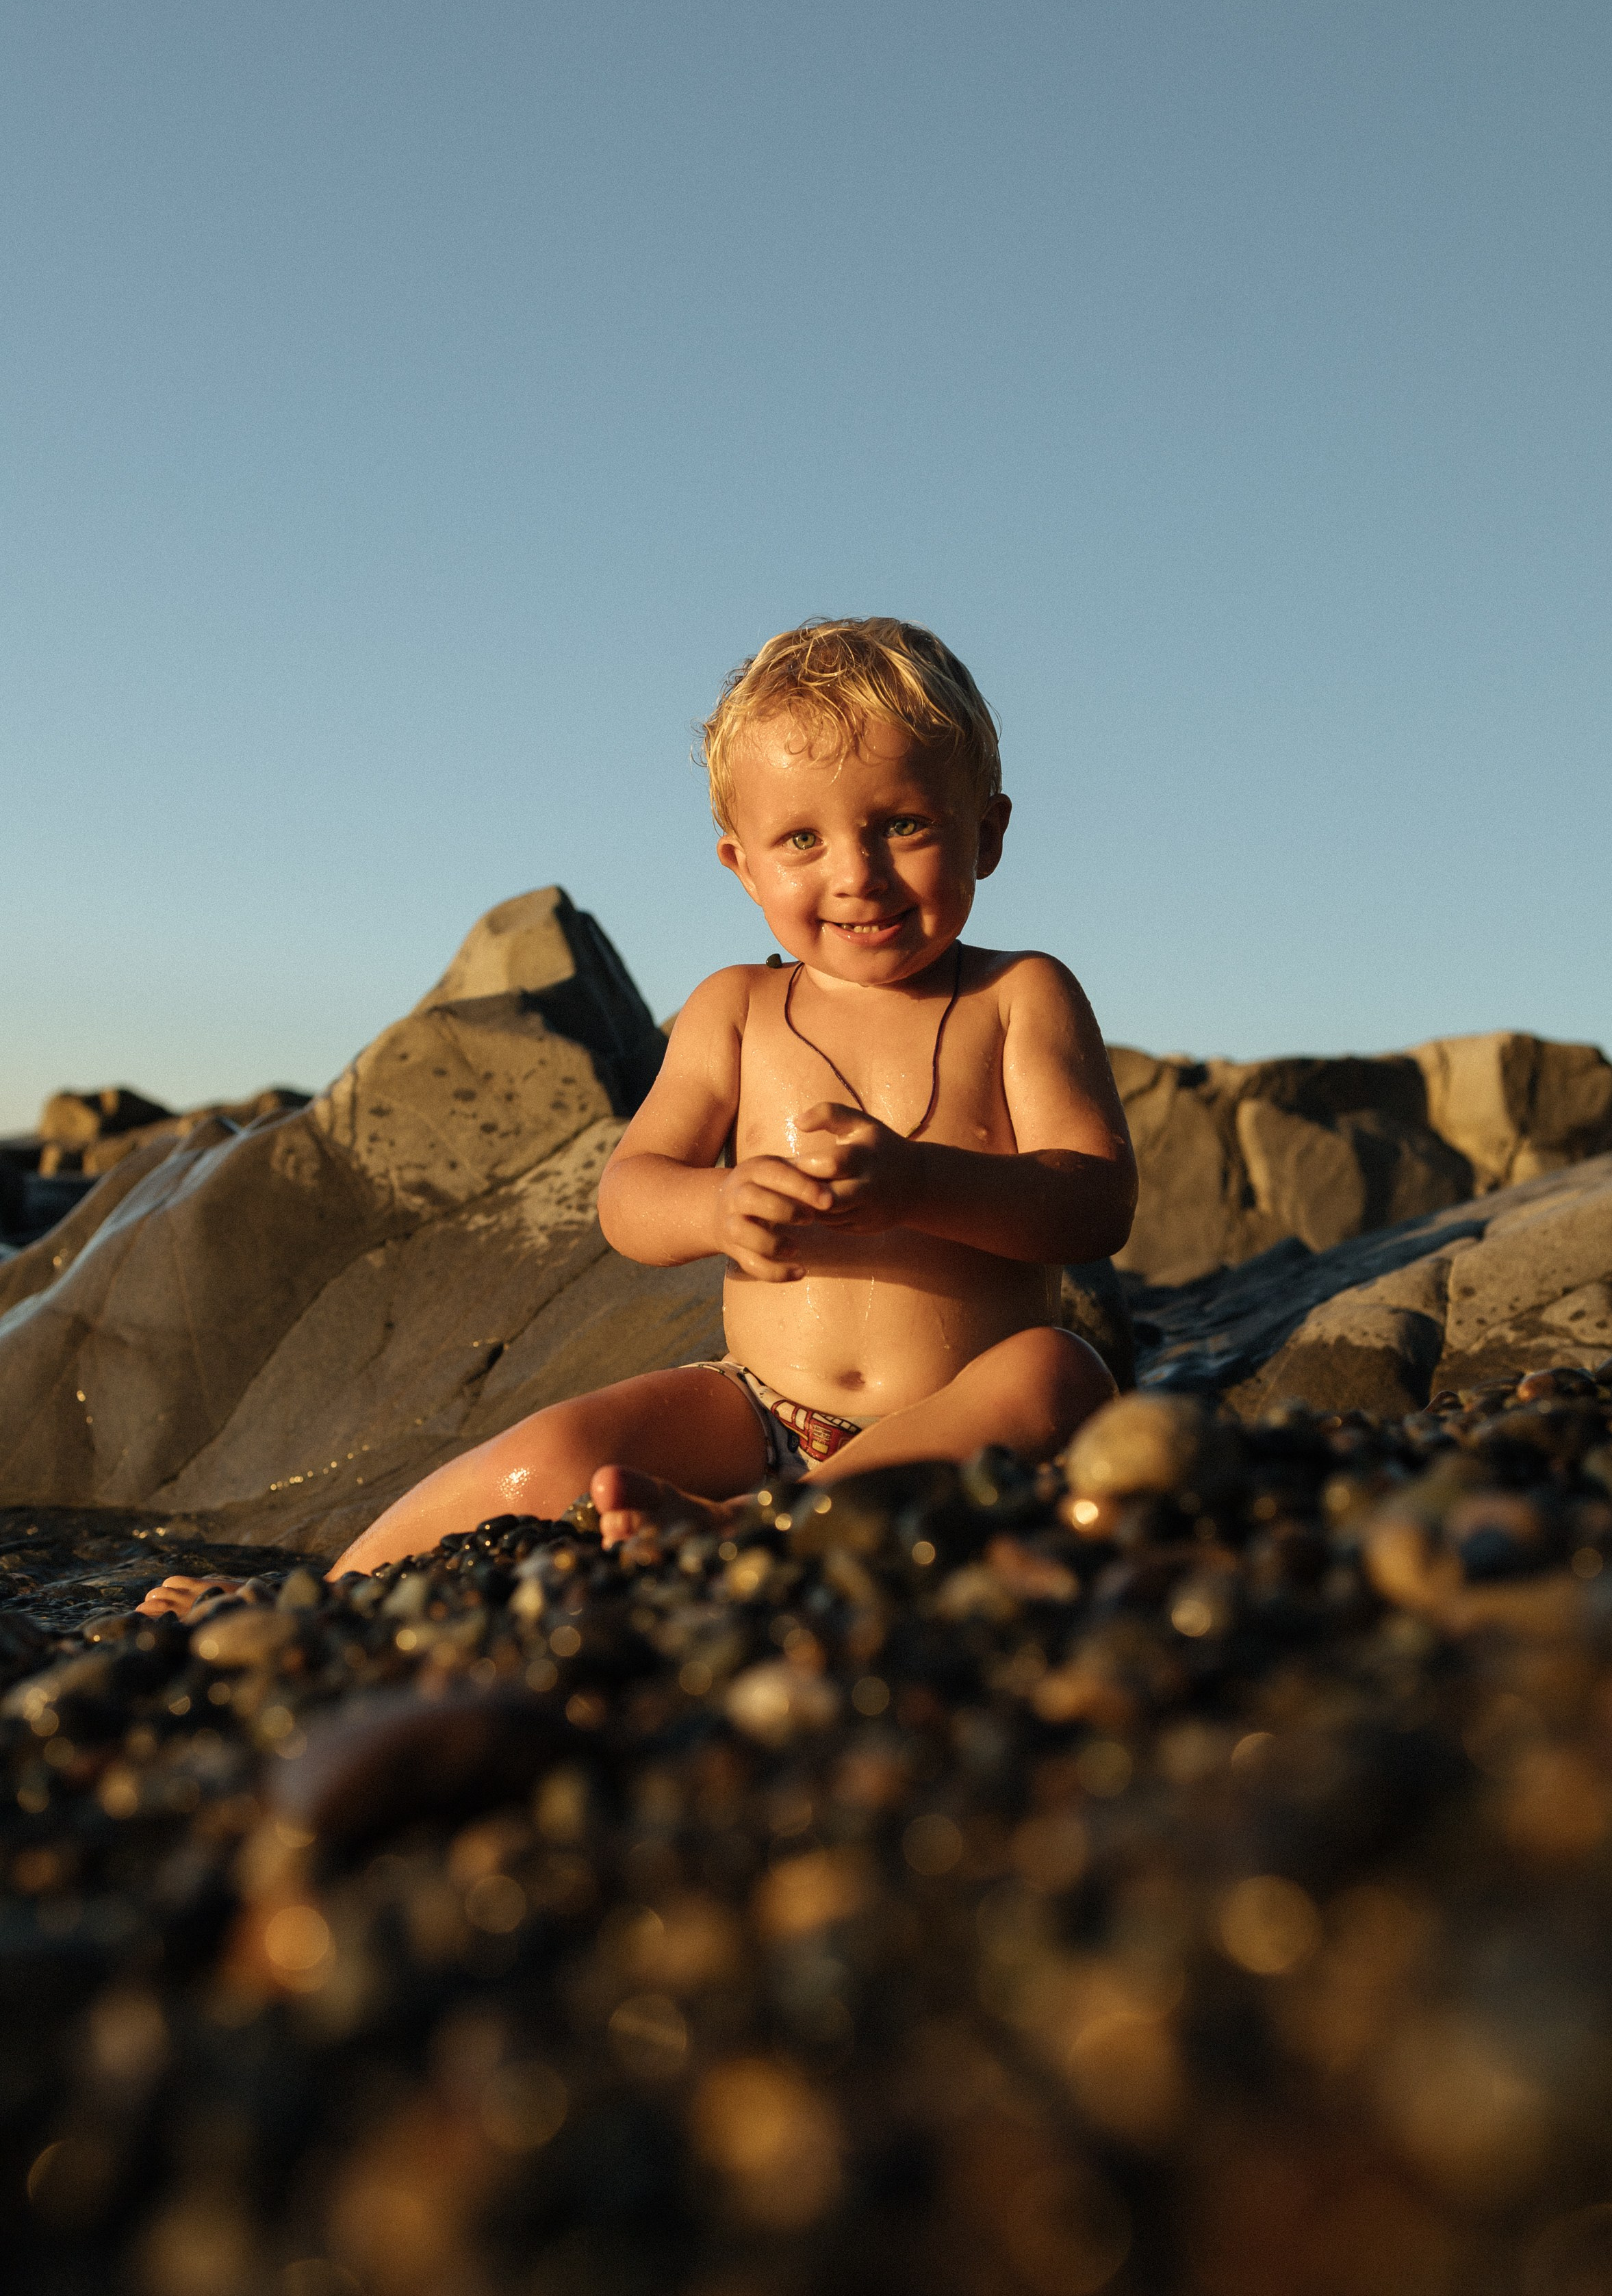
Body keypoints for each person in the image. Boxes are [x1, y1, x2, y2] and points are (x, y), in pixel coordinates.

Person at [140, 618, 1135, 1617]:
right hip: (760, 1409)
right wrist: (720, 1206)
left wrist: (925, 1184)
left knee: (1060, 1373)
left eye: (904, 825)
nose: (856, 873)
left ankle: (752, 1530)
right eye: (802, 839)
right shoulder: (736, 1011)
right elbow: (631, 1195)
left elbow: (1093, 1202)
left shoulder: (1022, 997)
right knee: (545, 1459)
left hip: (953, 1417)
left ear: (988, 833)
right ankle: (313, 1594)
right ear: (743, 867)